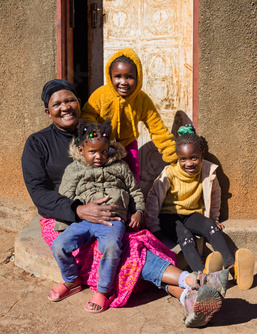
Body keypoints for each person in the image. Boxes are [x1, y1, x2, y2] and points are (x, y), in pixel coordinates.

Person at [21, 79, 225, 327]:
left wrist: (131, 211)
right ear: (47, 111)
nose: (65, 107)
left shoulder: (97, 134)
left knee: (132, 247)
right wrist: (78, 210)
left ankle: (188, 295)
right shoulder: (37, 144)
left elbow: (123, 179)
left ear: (79, 103)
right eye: (57, 104)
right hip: (64, 218)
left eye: (70, 100)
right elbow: (39, 193)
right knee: (117, 256)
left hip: (112, 214)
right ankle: (192, 284)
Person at [145, 125, 256, 290]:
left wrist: (213, 218)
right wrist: (154, 228)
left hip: (191, 215)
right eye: (183, 159)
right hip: (169, 216)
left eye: (193, 158)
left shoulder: (208, 170)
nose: (188, 163)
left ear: (202, 154)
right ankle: (202, 274)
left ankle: (234, 269)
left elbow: (215, 194)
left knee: (211, 227)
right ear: (178, 157)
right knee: (186, 237)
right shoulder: (170, 173)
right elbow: (153, 199)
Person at [51, 119, 145, 312]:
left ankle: (103, 291)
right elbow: (65, 197)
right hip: (85, 220)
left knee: (111, 247)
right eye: (92, 152)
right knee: (59, 245)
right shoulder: (74, 170)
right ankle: (71, 280)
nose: (98, 157)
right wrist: (62, 226)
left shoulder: (120, 167)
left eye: (103, 151)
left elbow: (135, 191)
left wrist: (138, 211)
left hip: (113, 220)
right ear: (80, 150)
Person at [81, 48, 177, 183]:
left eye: (129, 77)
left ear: (138, 77)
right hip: (102, 144)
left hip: (128, 144)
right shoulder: (100, 95)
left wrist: (172, 154)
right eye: (118, 76)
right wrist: (96, 132)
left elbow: (157, 128)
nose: (123, 82)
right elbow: (87, 114)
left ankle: (133, 203)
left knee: (132, 176)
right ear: (110, 76)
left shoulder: (142, 99)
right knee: (102, 177)